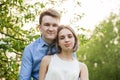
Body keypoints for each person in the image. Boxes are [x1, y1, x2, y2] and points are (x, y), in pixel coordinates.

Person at [20, 8, 61, 80]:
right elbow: (24, 78)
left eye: (54, 25)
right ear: (40, 28)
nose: (51, 29)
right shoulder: (30, 50)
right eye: (47, 25)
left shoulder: (66, 46)